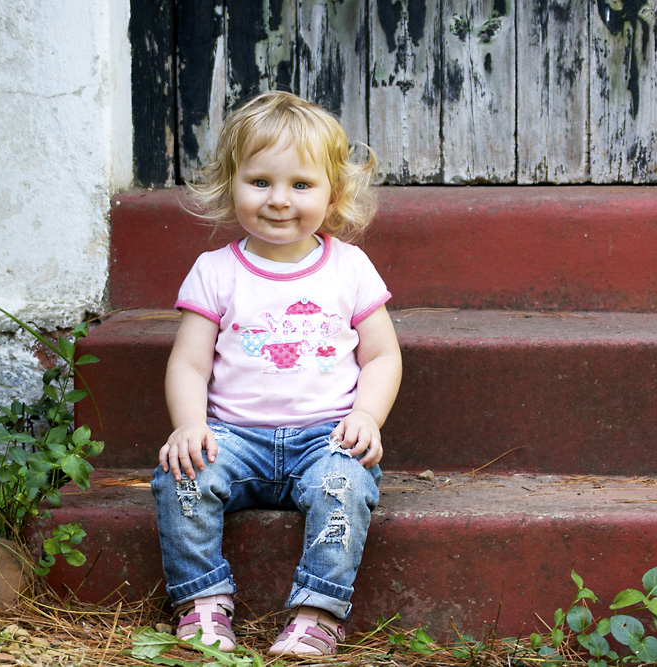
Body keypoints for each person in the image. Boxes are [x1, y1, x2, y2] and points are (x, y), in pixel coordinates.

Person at [151, 90, 402, 657]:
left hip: (326, 436)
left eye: (301, 185)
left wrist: (367, 415)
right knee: (181, 478)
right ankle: (202, 602)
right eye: (260, 182)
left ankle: (318, 612)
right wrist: (190, 425)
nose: (279, 201)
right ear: (229, 182)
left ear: (333, 191)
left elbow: (382, 355)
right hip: (234, 438)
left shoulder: (349, 267)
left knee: (345, 484)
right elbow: (189, 361)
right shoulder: (215, 272)